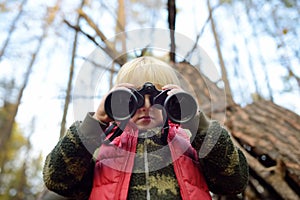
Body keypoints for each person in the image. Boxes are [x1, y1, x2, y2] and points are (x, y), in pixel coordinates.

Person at [43, 56, 249, 200]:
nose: (146, 106)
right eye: (135, 99)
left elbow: (234, 181)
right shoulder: (102, 148)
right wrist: (97, 122)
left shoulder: (191, 145)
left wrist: (195, 122)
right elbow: (57, 179)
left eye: (160, 99)